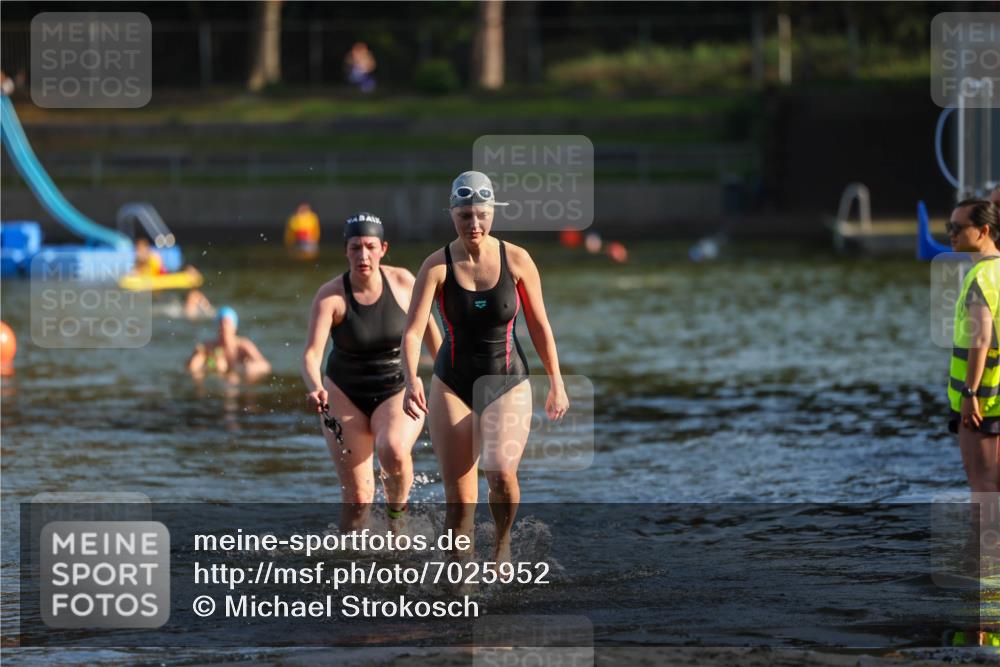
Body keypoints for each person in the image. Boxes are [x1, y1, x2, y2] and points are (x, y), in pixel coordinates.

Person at [400, 171, 569, 562]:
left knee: (500, 473)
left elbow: (540, 326)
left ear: (493, 212)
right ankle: (459, 584)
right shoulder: (436, 266)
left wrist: (557, 382)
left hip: (506, 380)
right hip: (452, 383)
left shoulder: (518, 259)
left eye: (481, 215)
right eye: (464, 216)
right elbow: (412, 332)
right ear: (452, 215)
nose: (473, 225)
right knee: (458, 504)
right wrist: (411, 381)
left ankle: (502, 544)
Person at [302, 212, 442, 530]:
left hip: (397, 386)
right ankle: (351, 567)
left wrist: (454, 379)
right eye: (355, 247)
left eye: (369, 246)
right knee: (358, 499)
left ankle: (397, 521)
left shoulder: (405, 283)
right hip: (342, 392)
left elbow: (433, 337)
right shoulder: (330, 296)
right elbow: (311, 354)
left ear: (383, 248)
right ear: (346, 251)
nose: (362, 255)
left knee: (392, 448)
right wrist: (313, 386)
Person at [946, 199, 1000, 574]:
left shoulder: (981, 277)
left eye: (957, 228)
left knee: (982, 486)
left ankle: (985, 569)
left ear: (982, 231)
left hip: (983, 402)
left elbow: (979, 341)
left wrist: (970, 395)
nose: (950, 235)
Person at [133, 238, 214, 319]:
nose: (138, 253)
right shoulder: (137, 263)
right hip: (159, 295)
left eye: (140, 250)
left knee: (194, 296)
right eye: (137, 251)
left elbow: (163, 274)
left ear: (146, 249)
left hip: (166, 288)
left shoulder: (154, 258)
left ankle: (208, 313)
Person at [188, 306, 271, 379]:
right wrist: (209, 366)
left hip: (239, 378)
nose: (224, 326)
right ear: (217, 327)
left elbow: (265, 366)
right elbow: (191, 367)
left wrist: (243, 368)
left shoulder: (242, 346)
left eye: (227, 323)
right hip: (217, 380)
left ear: (234, 326)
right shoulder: (209, 347)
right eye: (221, 323)